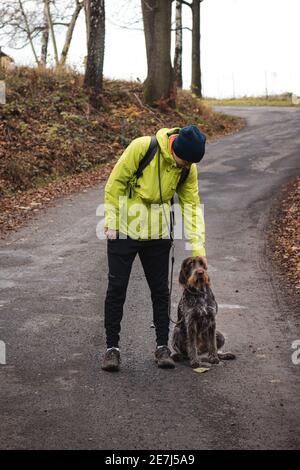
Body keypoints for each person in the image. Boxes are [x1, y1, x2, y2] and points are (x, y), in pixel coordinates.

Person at [102, 125, 207, 371]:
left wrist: (197, 247)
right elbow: (114, 184)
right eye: (184, 161)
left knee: (160, 291)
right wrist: (111, 223)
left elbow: (191, 205)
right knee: (117, 289)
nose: (186, 167)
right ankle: (111, 349)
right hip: (125, 230)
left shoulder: (188, 167)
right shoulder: (143, 147)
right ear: (174, 149)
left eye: (190, 164)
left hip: (159, 234)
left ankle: (162, 347)